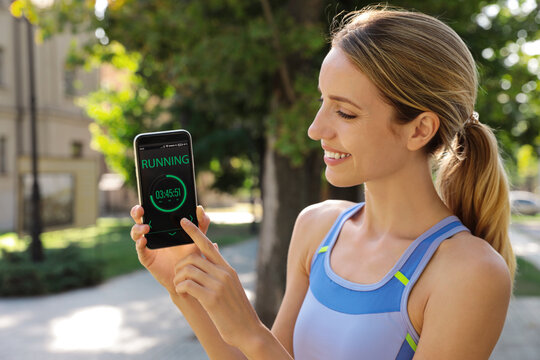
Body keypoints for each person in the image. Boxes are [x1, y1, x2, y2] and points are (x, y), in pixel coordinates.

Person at [130, 6, 515, 360]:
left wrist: (252, 333)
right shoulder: (317, 227)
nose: (316, 129)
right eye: (322, 102)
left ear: (420, 130)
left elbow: (261, 348)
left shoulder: (470, 274)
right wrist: (185, 286)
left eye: (345, 112)